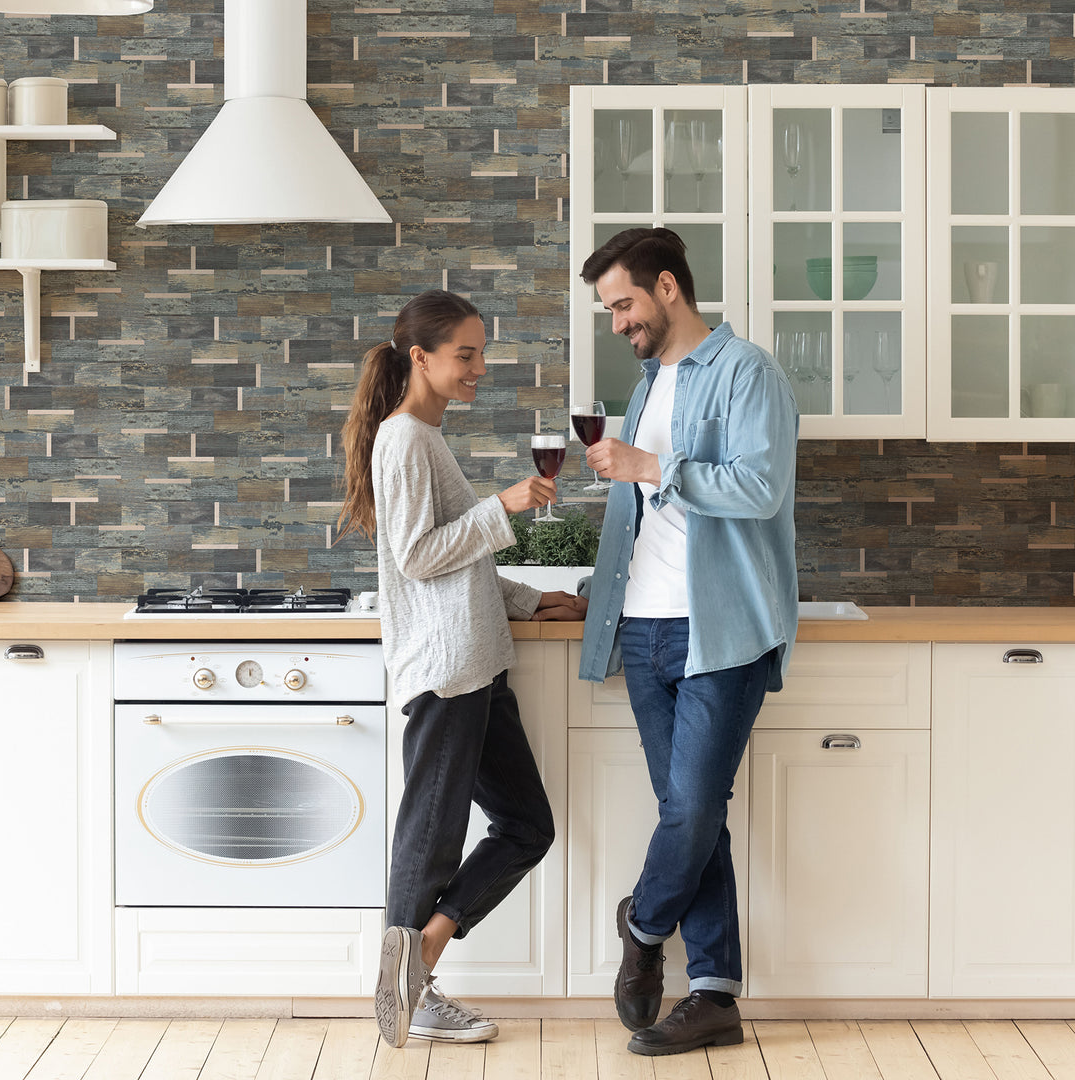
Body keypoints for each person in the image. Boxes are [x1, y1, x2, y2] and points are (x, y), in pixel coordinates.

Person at [337, 289, 583, 1049]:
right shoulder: (406, 438)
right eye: (465, 355)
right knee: (432, 833)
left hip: (477, 663)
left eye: (481, 353)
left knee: (526, 825)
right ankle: (410, 984)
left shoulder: (425, 437)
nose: (479, 368)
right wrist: (503, 506)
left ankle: (424, 953)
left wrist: (529, 597)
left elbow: (456, 564)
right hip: (447, 670)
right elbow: (417, 557)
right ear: (421, 358)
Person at [576, 228, 799, 1056]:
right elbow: (643, 513)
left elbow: (761, 486)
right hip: (644, 626)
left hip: (721, 627)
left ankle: (643, 924)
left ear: (668, 287)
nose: (616, 322)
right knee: (691, 815)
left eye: (623, 303)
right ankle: (714, 994)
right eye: (608, 310)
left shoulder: (749, 373)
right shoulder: (646, 384)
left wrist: (649, 467)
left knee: (697, 806)